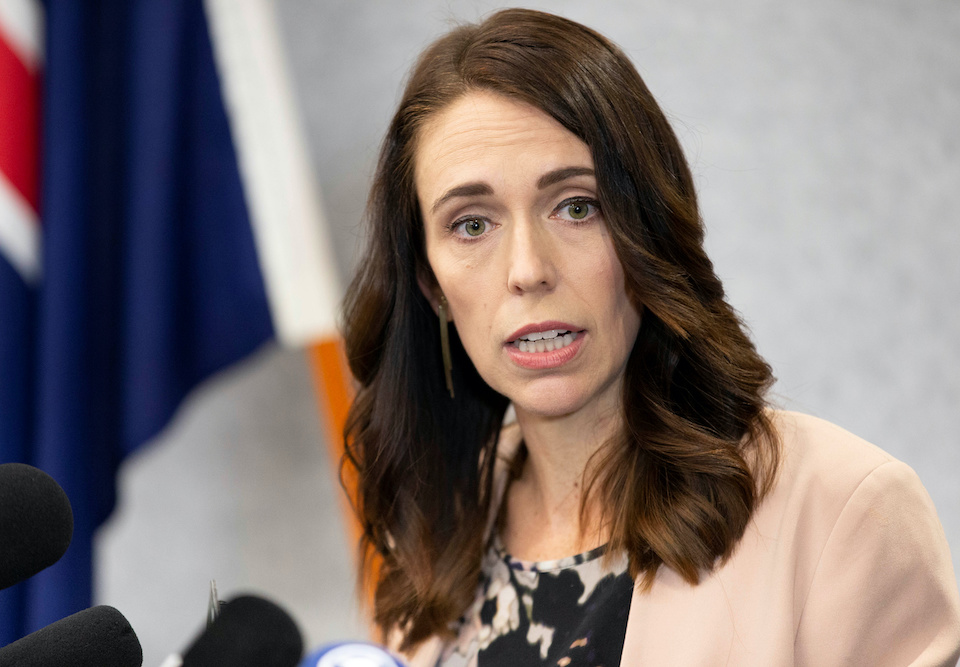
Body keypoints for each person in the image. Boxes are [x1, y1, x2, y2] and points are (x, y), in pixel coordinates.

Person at [340, 8, 960, 666]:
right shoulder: (437, 526)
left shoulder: (842, 510)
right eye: (471, 224)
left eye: (577, 207)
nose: (528, 270)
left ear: (647, 231)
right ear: (430, 281)